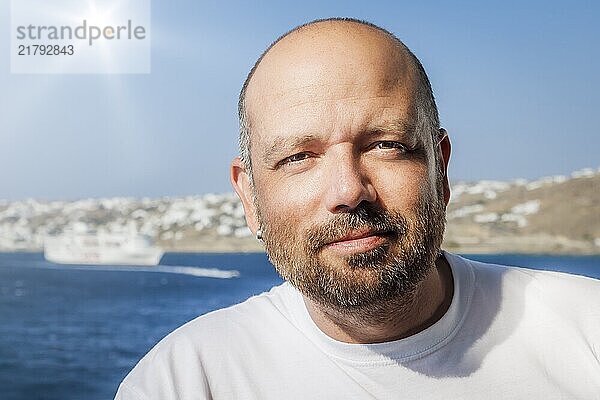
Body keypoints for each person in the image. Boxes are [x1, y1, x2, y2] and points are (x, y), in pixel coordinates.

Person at [115, 18, 600, 399]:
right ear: (249, 198)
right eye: (299, 157)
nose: (349, 190)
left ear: (440, 169)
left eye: (387, 145)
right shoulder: (183, 382)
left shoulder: (587, 330)